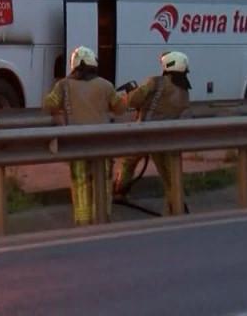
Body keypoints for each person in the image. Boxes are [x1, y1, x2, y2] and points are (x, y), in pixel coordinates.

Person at [42, 45, 125, 226]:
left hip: (76, 144)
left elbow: (49, 104)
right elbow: (119, 108)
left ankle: (83, 222)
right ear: (93, 65)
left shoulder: (63, 85)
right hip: (102, 145)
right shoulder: (105, 85)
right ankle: (102, 220)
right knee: (103, 182)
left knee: (80, 183)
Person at [114, 51, 193, 215]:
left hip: (146, 134)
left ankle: (120, 191)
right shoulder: (184, 91)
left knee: (129, 161)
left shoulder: (155, 82)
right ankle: (177, 207)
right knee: (170, 177)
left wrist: (126, 97)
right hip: (169, 139)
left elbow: (133, 100)